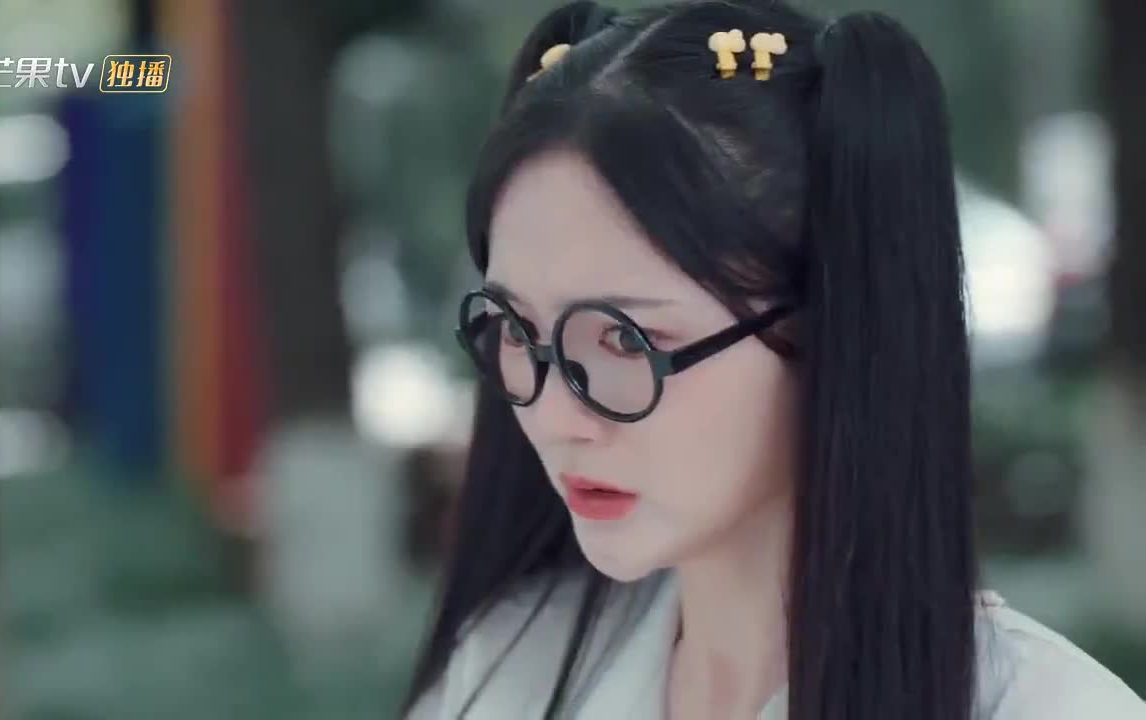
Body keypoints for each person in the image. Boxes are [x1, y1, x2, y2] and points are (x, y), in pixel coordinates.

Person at [400, 1, 1146, 718]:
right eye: (516, 328)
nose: (554, 415)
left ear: (829, 326)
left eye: (627, 340)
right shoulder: (506, 668)